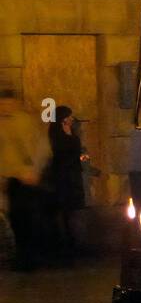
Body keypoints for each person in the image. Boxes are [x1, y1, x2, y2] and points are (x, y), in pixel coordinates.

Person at [0, 89, 52, 271]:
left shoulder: (26, 122)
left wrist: (35, 170)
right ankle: (24, 256)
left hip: (27, 177)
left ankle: (31, 256)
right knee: (16, 219)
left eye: (8, 104)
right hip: (12, 178)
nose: (5, 108)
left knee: (29, 218)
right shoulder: (3, 124)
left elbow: (41, 147)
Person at [45, 105, 88, 260]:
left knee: (75, 211)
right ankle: (66, 247)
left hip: (74, 175)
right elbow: (58, 154)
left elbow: (77, 149)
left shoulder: (73, 133)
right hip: (62, 177)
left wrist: (81, 157)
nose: (72, 119)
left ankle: (77, 245)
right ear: (63, 118)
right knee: (65, 212)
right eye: (69, 116)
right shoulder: (55, 134)